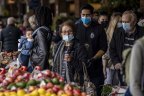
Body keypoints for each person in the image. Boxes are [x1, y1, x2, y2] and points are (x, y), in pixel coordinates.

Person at [75, 4, 107, 96]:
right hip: (80, 69)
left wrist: (93, 59)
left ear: (92, 15)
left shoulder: (99, 28)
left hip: (95, 68)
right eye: (83, 15)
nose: (85, 17)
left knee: (96, 92)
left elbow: (103, 48)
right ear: (80, 15)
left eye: (88, 15)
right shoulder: (76, 27)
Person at [109, 10, 144, 86]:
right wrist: (116, 62)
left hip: (139, 70)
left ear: (134, 22)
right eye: (123, 22)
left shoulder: (142, 33)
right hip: (122, 70)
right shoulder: (118, 32)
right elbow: (112, 49)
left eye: (126, 22)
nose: (124, 24)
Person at [103, 12, 122, 85]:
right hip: (110, 66)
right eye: (120, 22)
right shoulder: (108, 35)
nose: (121, 24)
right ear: (115, 23)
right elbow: (105, 54)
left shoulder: (123, 33)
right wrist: (104, 67)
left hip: (120, 65)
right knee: (109, 85)